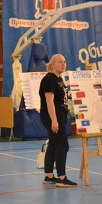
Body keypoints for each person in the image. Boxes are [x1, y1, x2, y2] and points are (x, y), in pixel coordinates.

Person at [39, 54, 77, 187]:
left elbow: (61, 96)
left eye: (64, 61)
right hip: (52, 116)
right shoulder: (49, 79)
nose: (63, 64)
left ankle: (49, 176)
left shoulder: (59, 79)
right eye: (60, 62)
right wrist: (54, 121)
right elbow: (49, 102)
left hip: (61, 115)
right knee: (62, 145)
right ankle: (62, 178)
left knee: (53, 144)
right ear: (53, 65)